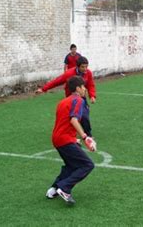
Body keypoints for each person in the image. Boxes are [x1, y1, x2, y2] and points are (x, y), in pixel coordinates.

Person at [45, 76, 97, 205]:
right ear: (78, 88)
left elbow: (63, 123)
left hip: (57, 139)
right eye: (83, 87)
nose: (85, 89)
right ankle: (65, 188)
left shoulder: (63, 102)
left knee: (71, 165)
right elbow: (73, 120)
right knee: (87, 165)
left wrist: (74, 139)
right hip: (65, 139)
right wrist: (85, 137)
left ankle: (54, 189)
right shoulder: (78, 100)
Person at [36, 56, 96, 136]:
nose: (85, 69)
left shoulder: (88, 73)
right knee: (71, 118)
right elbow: (57, 81)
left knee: (84, 116)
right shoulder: (69, 74)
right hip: (71, 99)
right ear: (78, 66)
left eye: (86, 66)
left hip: (82, 98)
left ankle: (88, 134)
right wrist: (43, 89)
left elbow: (90, 85)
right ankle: (71, 134)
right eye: (83, 67)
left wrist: (92, 96)